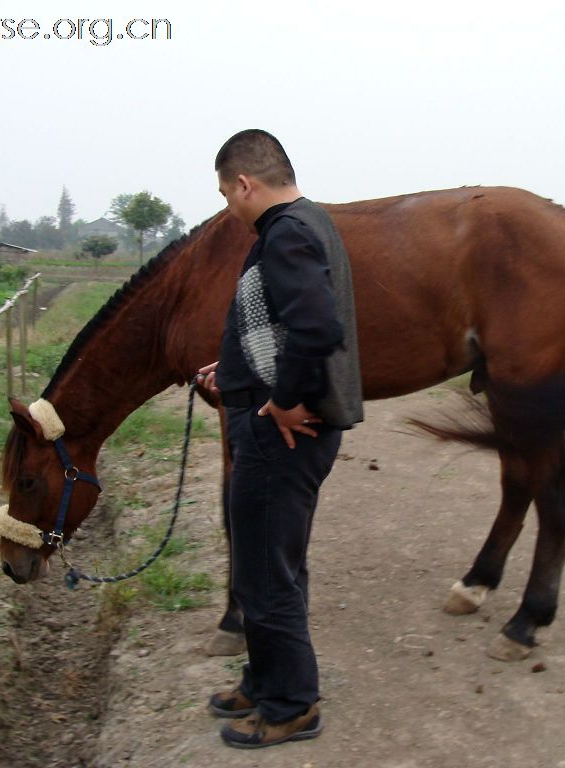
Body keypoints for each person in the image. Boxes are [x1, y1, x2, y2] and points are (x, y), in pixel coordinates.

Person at [197, 129, 363, 749]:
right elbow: (277, 321)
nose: (228, 208)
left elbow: (316, 328)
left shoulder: (286, 233)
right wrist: (234, 370)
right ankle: (266, 680)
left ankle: (292, 705)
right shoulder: (305, 223)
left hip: (280, 436)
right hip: (269, 422)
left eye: (226, 194)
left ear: (246, 183)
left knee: (266, 575)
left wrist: (286, 401)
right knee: (268, 567)